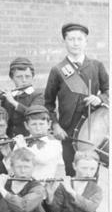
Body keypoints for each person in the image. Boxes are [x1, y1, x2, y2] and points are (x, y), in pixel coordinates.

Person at [44, 22, 109, 175]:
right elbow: (48, 103)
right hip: (67, 130)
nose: (75, 43)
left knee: (91, 172)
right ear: (64, 42)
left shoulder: (96, 66)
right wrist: (55, 125)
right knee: (71, 172)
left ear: (86, 41)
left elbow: (108, 91)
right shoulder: (57, 70)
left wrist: (99, 99)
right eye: (71, 39)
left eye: (79, 39)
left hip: (92, 128)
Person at [10, 105, 65, 180]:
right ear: (26, 125)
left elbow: (42, 159)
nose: (38, 128)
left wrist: (23, 148)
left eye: (41, 124)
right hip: (22, 185)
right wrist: (6, 151)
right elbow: (11, 168)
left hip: (44, 186)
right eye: (34, 124)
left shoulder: (55, 143)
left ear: (49, 124)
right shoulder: (22, 142)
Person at [2, 57, 44, 137]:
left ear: (32, 76)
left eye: (27, 76)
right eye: (19, 77)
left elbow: (33, 114)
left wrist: (13, 102)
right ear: (12, 78)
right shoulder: (8, 96)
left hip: (29, 139)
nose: (24, 80)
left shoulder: (38, 96)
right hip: (10, 139)